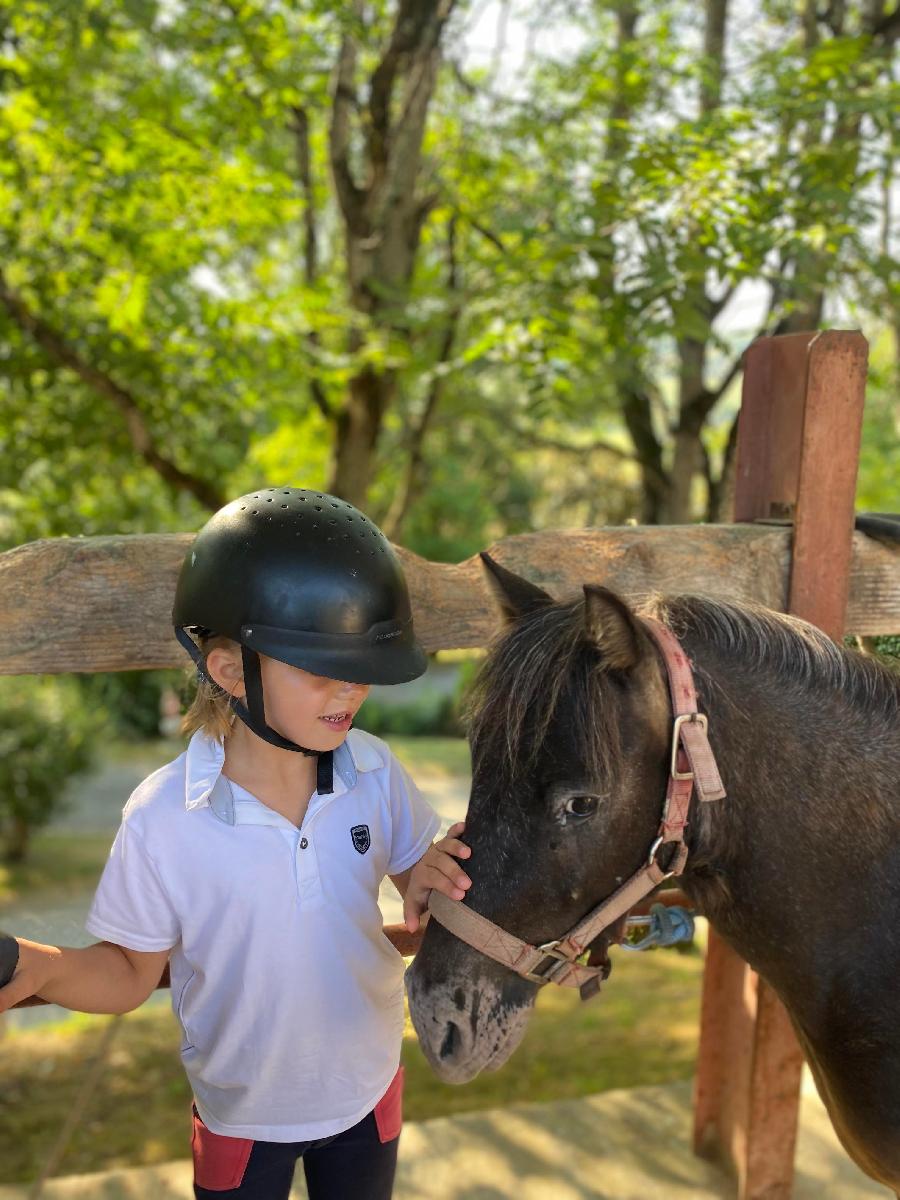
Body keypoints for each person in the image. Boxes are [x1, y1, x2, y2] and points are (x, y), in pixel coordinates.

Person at [0, 486, 473, 1200]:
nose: (351, 693)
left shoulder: (373, 770)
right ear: (229, 670)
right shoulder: (163, 819)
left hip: (368, 1087)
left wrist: (441, 879)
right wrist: (35, 968)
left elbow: (419, 890)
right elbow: (130, 973)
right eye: (322, 672)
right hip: (241, 1116)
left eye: (363, 673)